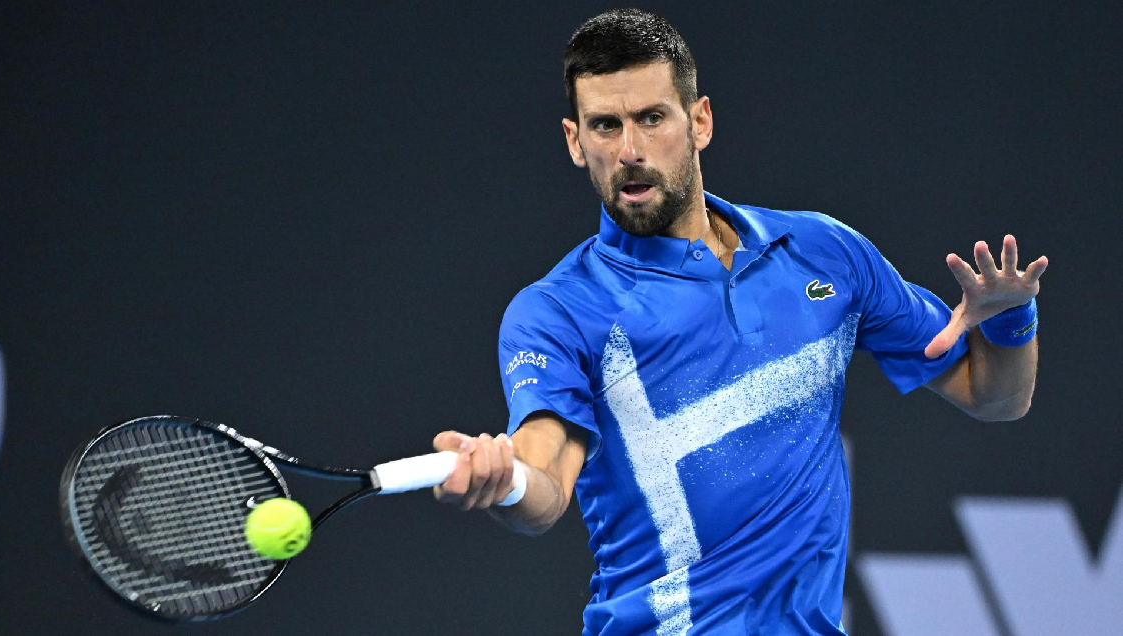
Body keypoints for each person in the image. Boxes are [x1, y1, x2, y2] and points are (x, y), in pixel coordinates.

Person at [431, 8, 1047, 635]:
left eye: (651, 118)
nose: (630, 151)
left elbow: (996, 397)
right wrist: (506, 480)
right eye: (605, 126)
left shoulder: (824, 252)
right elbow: (545, 476)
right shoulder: (558, 311)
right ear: (574, 140)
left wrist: (1010, 321)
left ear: (699, 121)